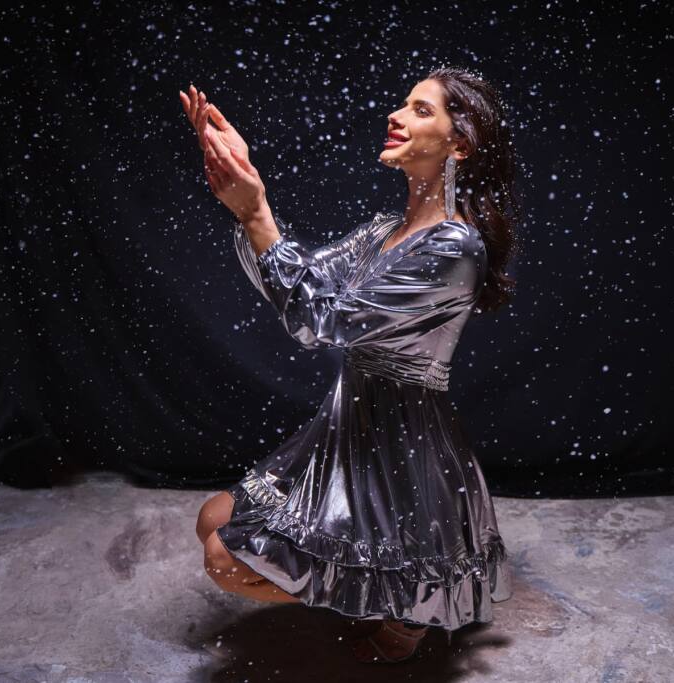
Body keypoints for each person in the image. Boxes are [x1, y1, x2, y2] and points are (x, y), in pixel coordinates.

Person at [180, 66, 521, 664]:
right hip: (347, 427)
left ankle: (401, 604)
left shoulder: (454, 247)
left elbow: (323, 322)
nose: (396, 115)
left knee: (224, 563)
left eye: (421, 110)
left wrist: (258, 214)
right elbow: (303, 284)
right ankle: (374, 592)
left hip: (401, 450)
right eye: (403, 103)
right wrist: (250, 197)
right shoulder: (385, 231)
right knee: (213, 519)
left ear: (459, 145)